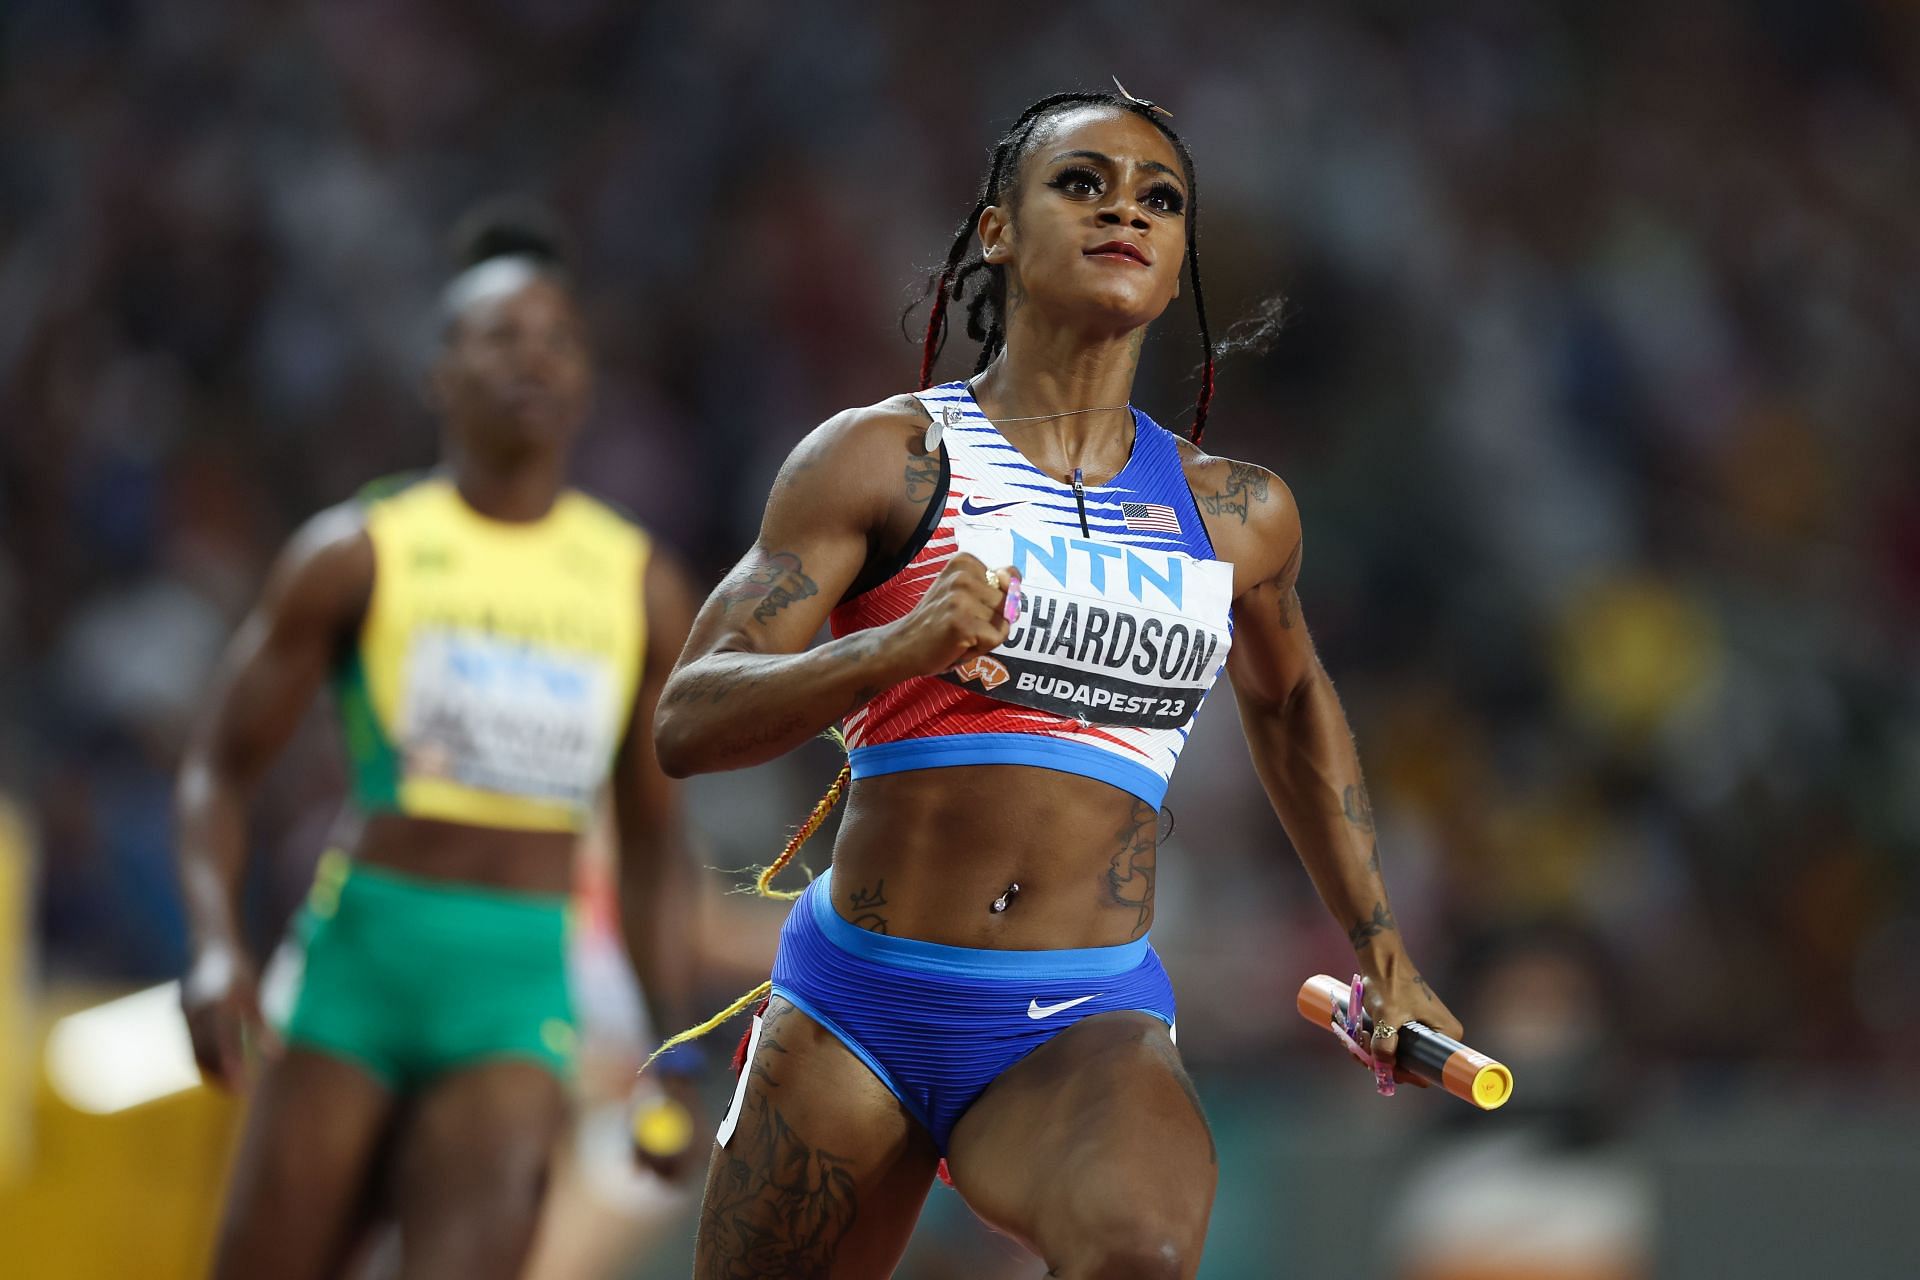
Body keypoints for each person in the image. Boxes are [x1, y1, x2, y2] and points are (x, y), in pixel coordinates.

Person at [653, 86, 1464, 1277]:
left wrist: (1379, 944)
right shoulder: (888, 458)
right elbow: (687, 718)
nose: (1123, 210)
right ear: (996, 230)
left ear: (1183, 249)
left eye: (1160, 197)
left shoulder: (1236, 513)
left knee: (1140, 1250)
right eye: (1081, 182)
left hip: (1078, 1018)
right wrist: (892, 646)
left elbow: (1290, 705)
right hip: (854, 1006)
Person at [174, 206, 704, 1280]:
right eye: (500, 336)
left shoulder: (635, 582)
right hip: (360, 964)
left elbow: (651, 843)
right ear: (438, 372)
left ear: (586, 382)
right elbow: (216, 770)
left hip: (513, 984)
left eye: (558, 339)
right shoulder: (357, 552)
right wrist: (217, 943)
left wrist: (669, 1039)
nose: (534, 359)